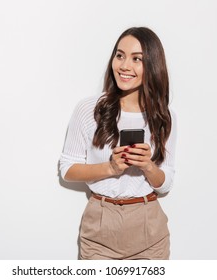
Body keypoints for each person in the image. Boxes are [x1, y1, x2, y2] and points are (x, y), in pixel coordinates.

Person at [59, 27, 177, 260]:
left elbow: (166, 182)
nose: (124, 66)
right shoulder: (89, 109)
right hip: (100, 228)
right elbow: (67, 169)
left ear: (152, 66)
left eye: (137, 59)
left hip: (149, 230)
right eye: (119, 55)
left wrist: (148, 166)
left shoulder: (164, 116)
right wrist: (110, 168)